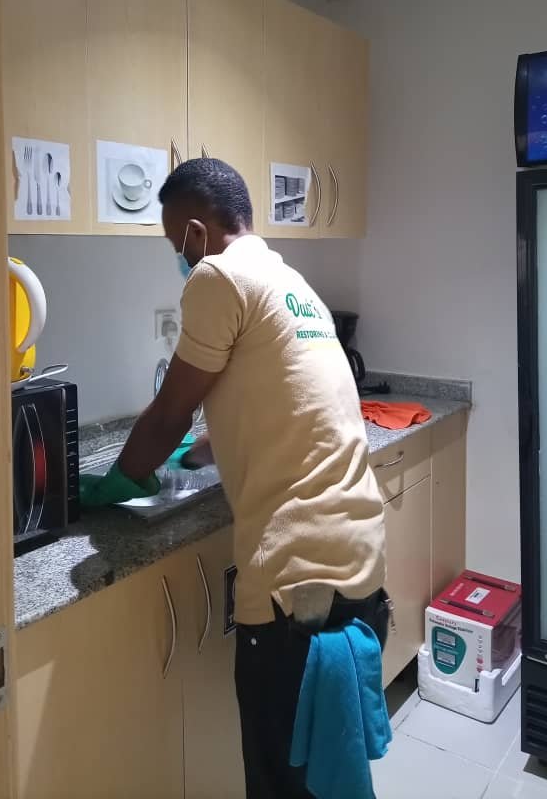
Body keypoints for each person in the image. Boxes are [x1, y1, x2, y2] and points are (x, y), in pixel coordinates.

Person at [117, 158, 389, 799]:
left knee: (279, 780)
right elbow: (283, 408)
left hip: (296, 588)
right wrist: (197, 456)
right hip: (360, 570)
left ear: (192, 231)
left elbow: (168, 411)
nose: (176, 257)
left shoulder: (217, 276)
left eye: (171, 243)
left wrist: (116, 481)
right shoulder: (290, 283)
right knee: (323, 775)